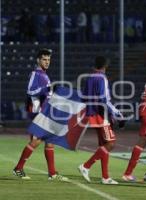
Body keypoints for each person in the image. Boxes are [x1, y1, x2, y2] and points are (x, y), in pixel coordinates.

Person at [13, 49, 68, 181]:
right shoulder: (35, 74)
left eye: (48, 59)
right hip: (36, 113)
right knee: (36, 141)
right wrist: (47, 89)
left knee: (50, 142)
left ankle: (52, 173)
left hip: (44, 113)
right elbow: (30, 91)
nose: (47, 62)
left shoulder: (44, 75)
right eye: (44, 59)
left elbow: (46, 95)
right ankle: (18, 168)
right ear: (38, 60)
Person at [78, 56, 124, 185]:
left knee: (103, 146)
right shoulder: (102, 78)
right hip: (101, 114)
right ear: (105, 66)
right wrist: (116, 113)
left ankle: (105, 177)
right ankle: (86, 166)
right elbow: (104, 100)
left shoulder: (90, 77)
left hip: (93, 113)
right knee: (111, 143)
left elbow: (83, 97)